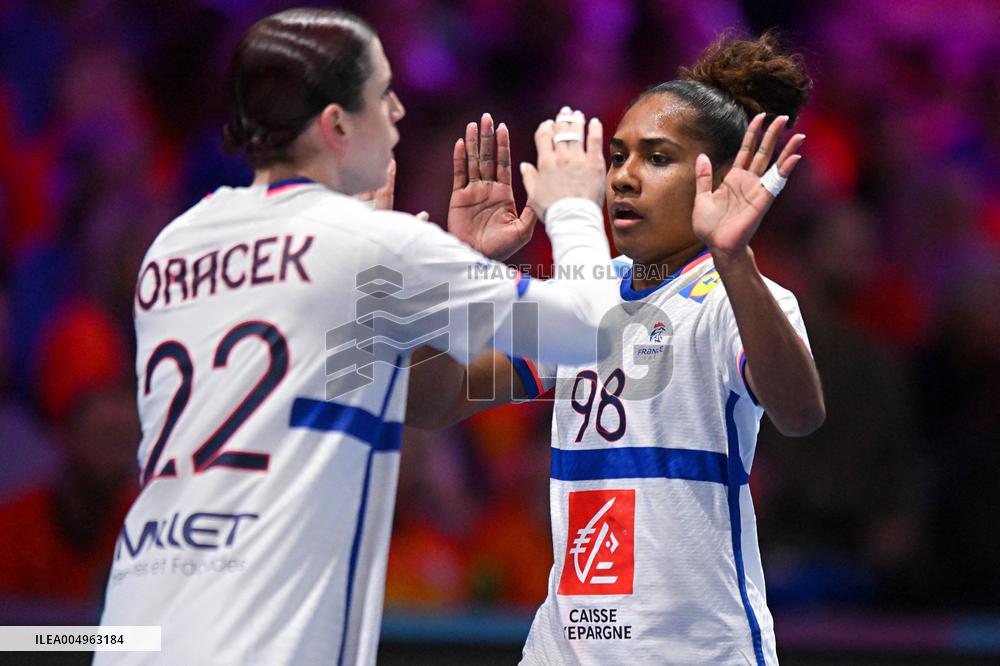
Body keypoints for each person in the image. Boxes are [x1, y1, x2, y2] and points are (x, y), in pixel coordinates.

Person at [96, 8, 620, 665]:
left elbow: (361, 391)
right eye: (381, 95)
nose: (398, 111)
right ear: (336, 125)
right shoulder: (370, 243)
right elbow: (593, 328)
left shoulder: (171, 248)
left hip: (133, 633)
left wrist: (442, 281)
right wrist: (572, 204)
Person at [408, 33, 825, 664]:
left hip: (696, 651)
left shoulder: (733, 298)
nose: (624, 177)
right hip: (564, 648)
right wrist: (464, 268)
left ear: (716, 181)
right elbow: (429, 401)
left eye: (657, 159)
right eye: (619, 156)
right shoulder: (581, 294)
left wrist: (734, 257)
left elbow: (799, 413)